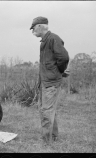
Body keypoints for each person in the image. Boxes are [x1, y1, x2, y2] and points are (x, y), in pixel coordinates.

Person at [30, 16, 70, 144]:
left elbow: (63, 58)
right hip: (45, 82)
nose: (32, 31)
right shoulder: (45, 41)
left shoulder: (53, 39)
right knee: (47, 110)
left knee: (46, 111)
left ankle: (46, 141)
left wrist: (60, 71)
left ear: (41, 26)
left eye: (34, 28)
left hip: (51, 82)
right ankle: (53, 137)